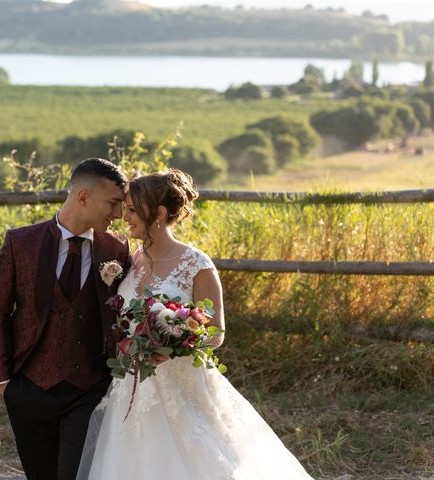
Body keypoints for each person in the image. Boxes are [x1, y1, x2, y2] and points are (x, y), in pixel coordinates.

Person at [77, 169, 314, 480]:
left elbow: (216, 333)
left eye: (133, 209)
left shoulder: (195, 264)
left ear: (158, 213)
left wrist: (172, 347)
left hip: (183, 387)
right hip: (133, 389)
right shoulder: (130, 261)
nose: (125, 217)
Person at [0, 158, 131, 480]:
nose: (119, 214)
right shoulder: (21, 243)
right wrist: (4, 381)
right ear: (83, 196)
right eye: (113, 203)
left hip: (89, 389)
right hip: (28, 389)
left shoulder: (117, 248)